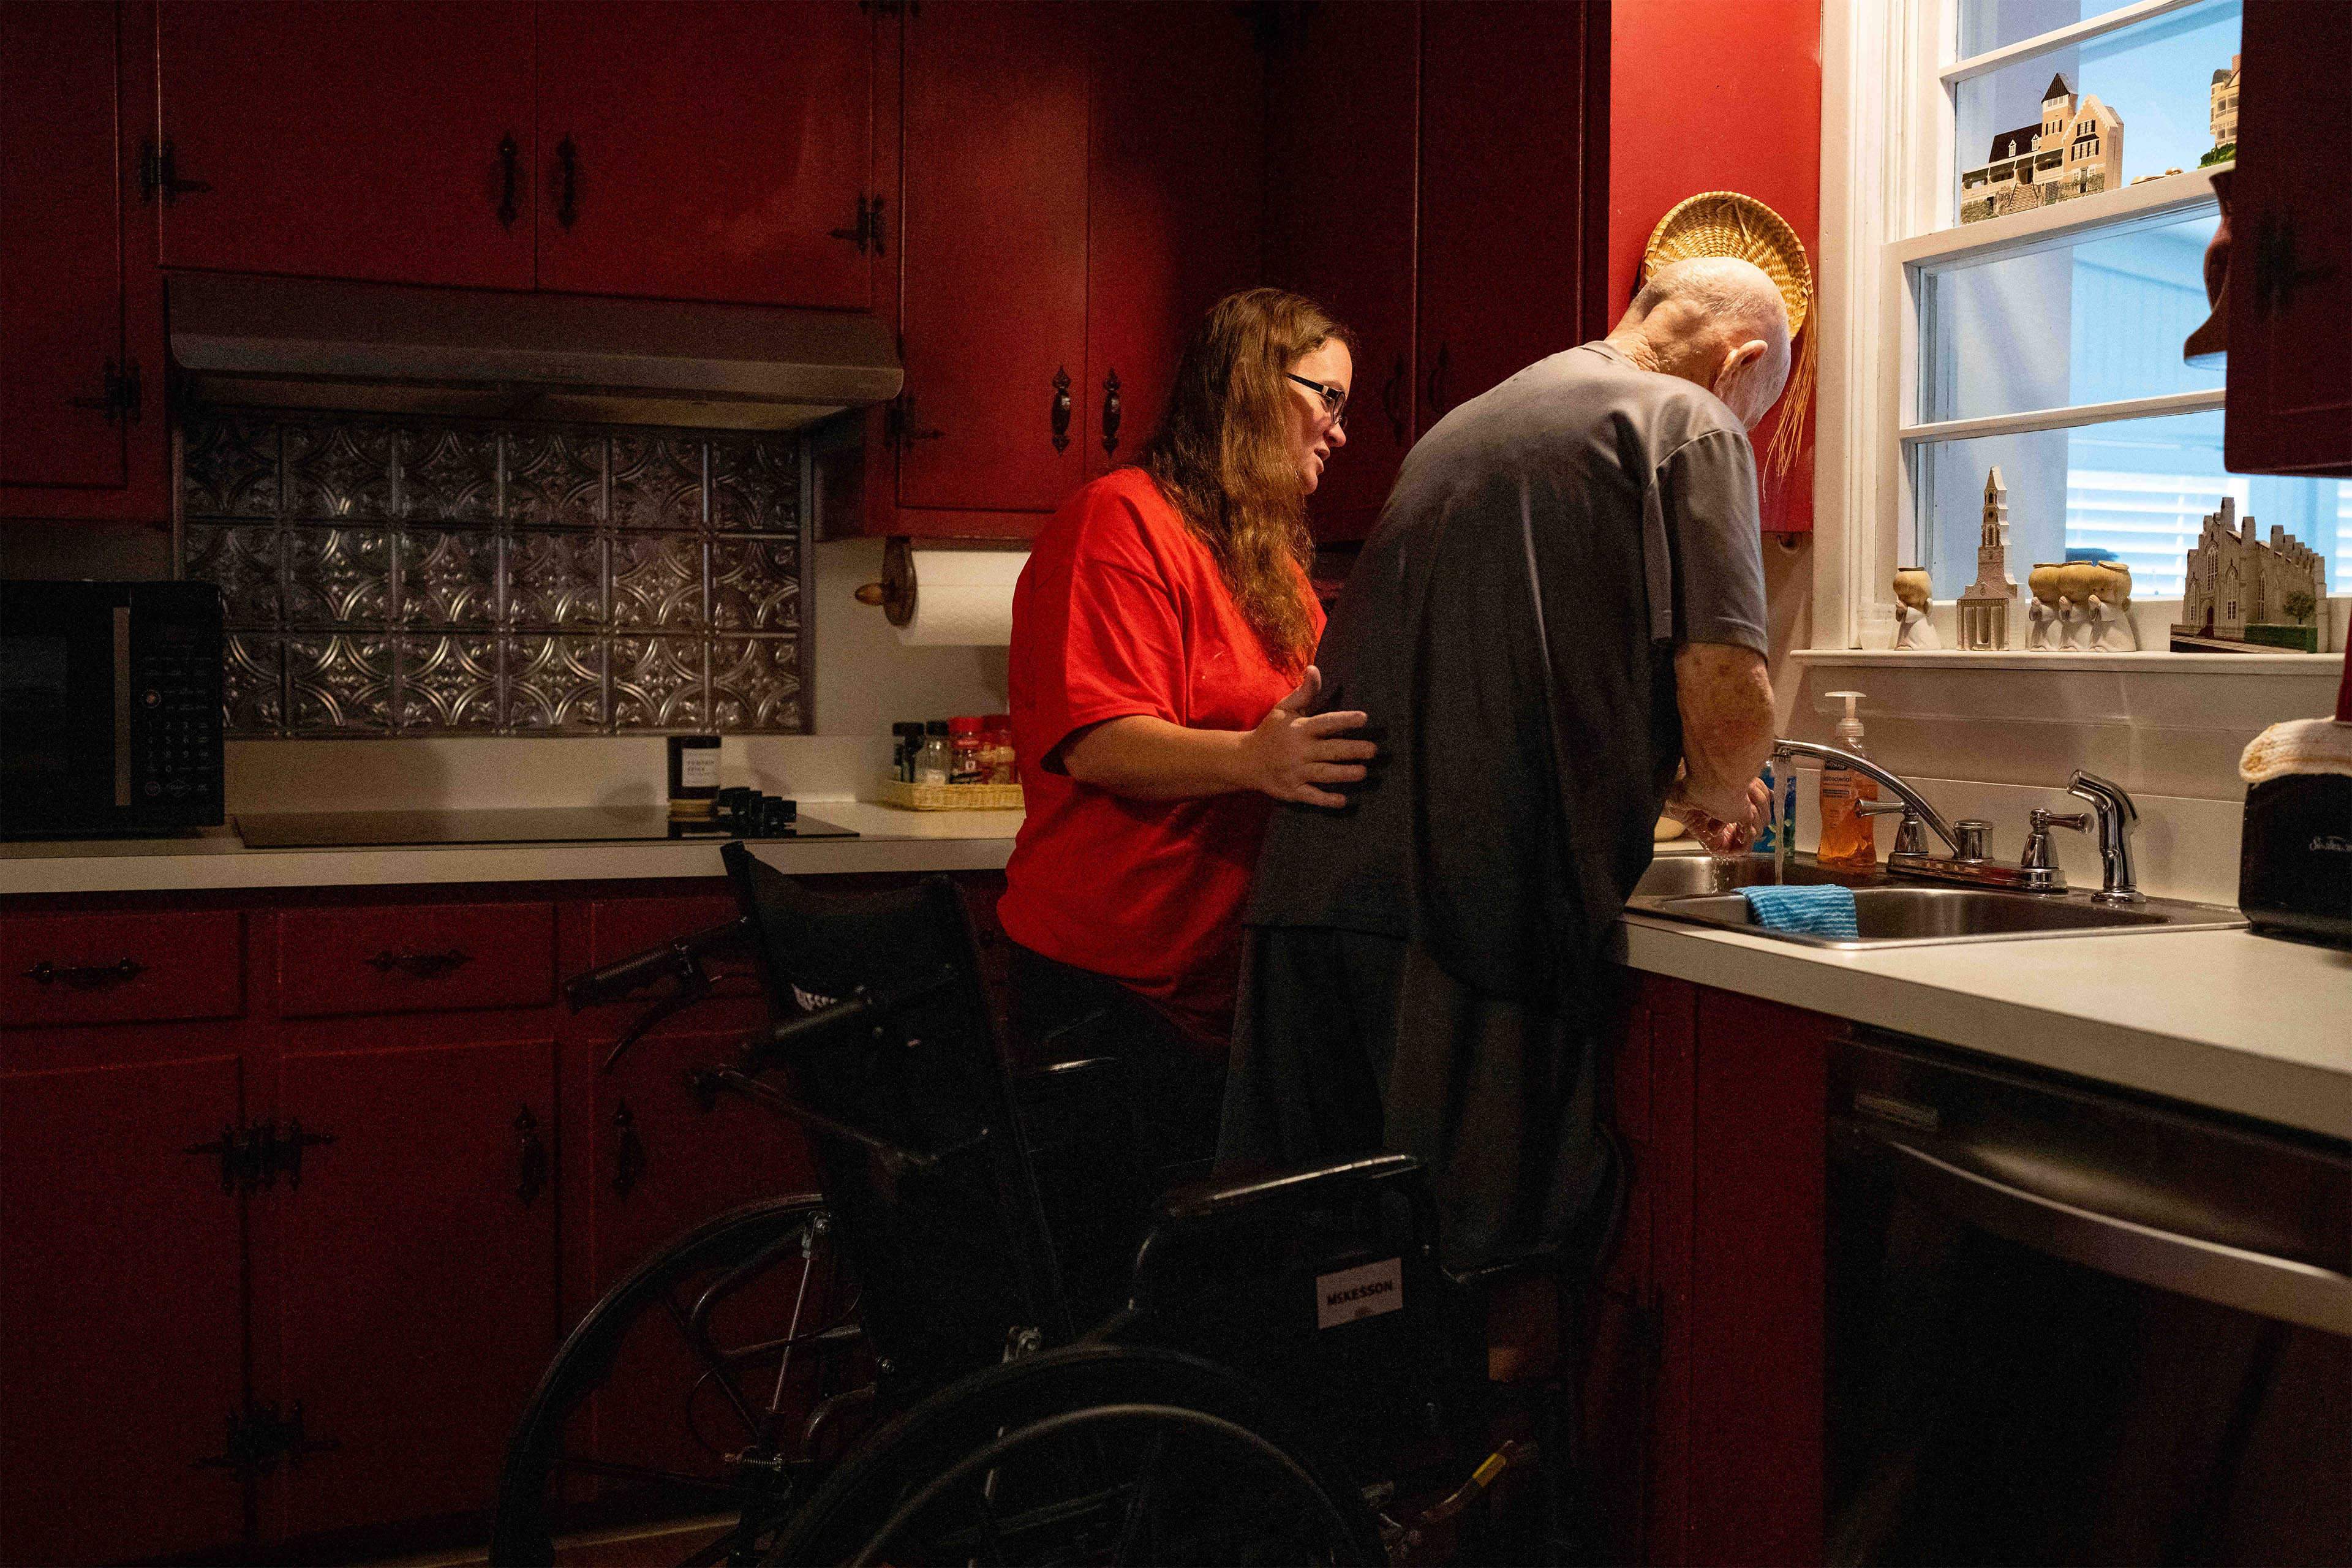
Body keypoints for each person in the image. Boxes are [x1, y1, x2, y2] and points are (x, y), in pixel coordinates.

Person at [1219, 257, 1790, 1365]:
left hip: (1316, 901)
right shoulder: (1694, 426)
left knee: (1332, 1277)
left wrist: (1676, 780)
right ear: (1742, 363)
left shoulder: (1475, 421)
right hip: (1469, 913)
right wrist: (1723, 788)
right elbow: (1731, 706)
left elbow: (1511, 676)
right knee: (1487, 1287)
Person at [999, 288, 1376, 1183]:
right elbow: (1100, 739)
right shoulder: (1120, 520)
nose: (1341, 430)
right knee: (1119, 1281)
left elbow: (1317, 727)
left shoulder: (1269, 562)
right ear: (1250, 385)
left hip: (1217, 990)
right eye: (1328, 398)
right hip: (1112, 987)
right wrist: (1254, 760)